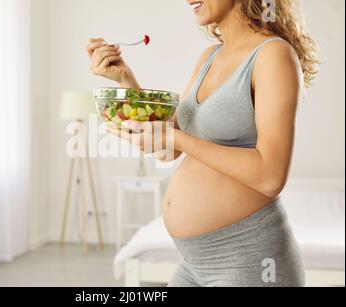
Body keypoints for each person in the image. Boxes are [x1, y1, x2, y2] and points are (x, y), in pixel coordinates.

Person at [86, 0, 319, 287]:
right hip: (194, 264)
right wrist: (126, 80)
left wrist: (177, 138)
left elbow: (271, 177)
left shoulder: (273, 55)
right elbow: (169, 147)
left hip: (250, 262)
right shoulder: (210, 56)